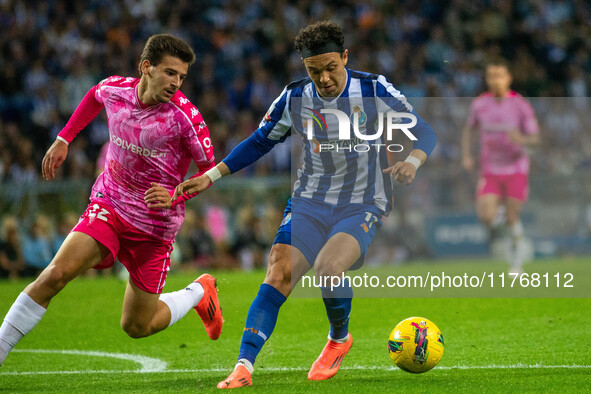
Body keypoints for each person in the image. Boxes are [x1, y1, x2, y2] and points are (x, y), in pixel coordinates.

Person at [172, 21, 437, 388]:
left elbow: (425, 130)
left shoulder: (374, 89)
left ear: (345, 57)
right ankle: (243, 366)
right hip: (309, 201)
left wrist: (413, 161)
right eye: (314, 71)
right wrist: (211, 175)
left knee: (329, 267)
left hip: (362, 202)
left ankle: (339, 339)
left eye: (331, 68)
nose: (324, 78)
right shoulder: (295, 97)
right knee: (278, 273)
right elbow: (260, 140)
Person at [0, 34, 223, 367]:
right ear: (146, 67)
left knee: (136, 326)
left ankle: (197, 293)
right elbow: (93, 96)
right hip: (110, 205)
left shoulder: (186, 118)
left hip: (155, 226)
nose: (176, 83)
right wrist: (64, 138)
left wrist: (176, 192)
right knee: (56, 274)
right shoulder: (116, 89)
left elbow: (209, 171)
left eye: (181, 77)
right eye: (170, 73)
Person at [461, 58, 540, 272]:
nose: (495, 81)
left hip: (516, 169)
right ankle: (508, 227)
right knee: (486, 216)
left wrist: (521, 139)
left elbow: (535, 138)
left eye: (500, 76)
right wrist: (467, 155)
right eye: (491, 76)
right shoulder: (479, 104)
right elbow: (469, 130)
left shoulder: (520, 105)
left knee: (513, 216)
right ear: (487, 79)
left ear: (508, 78)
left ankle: (516, 262)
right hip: (490, 170)